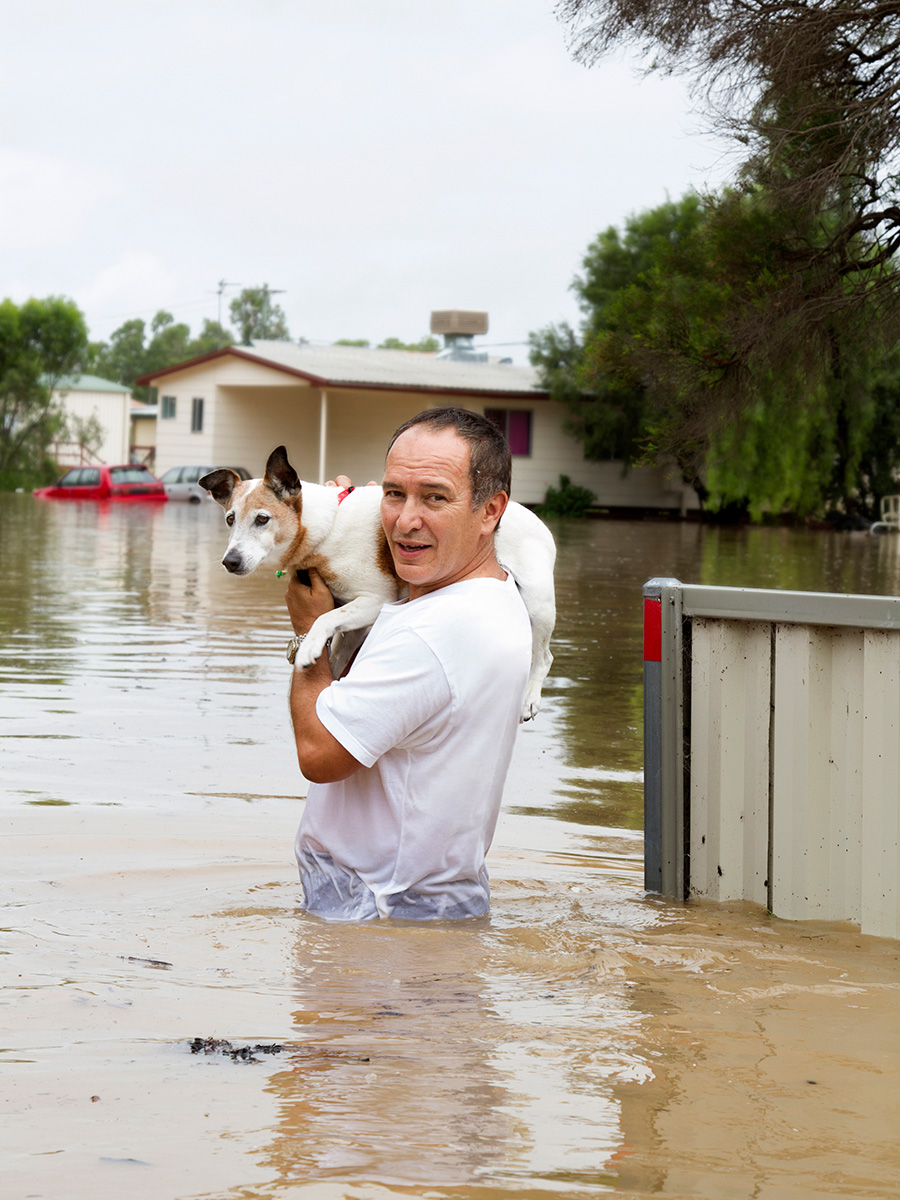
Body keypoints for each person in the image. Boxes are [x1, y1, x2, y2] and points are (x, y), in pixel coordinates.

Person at [284, 406, 533, 921]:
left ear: (491, 512)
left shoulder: (430, 633)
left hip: (378, 918)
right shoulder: (497, 596)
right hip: (440, 902)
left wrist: (308, 637)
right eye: (394, 493)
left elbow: (319, 754)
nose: (405, 519)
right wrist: (343, 540)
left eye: (435, 497)